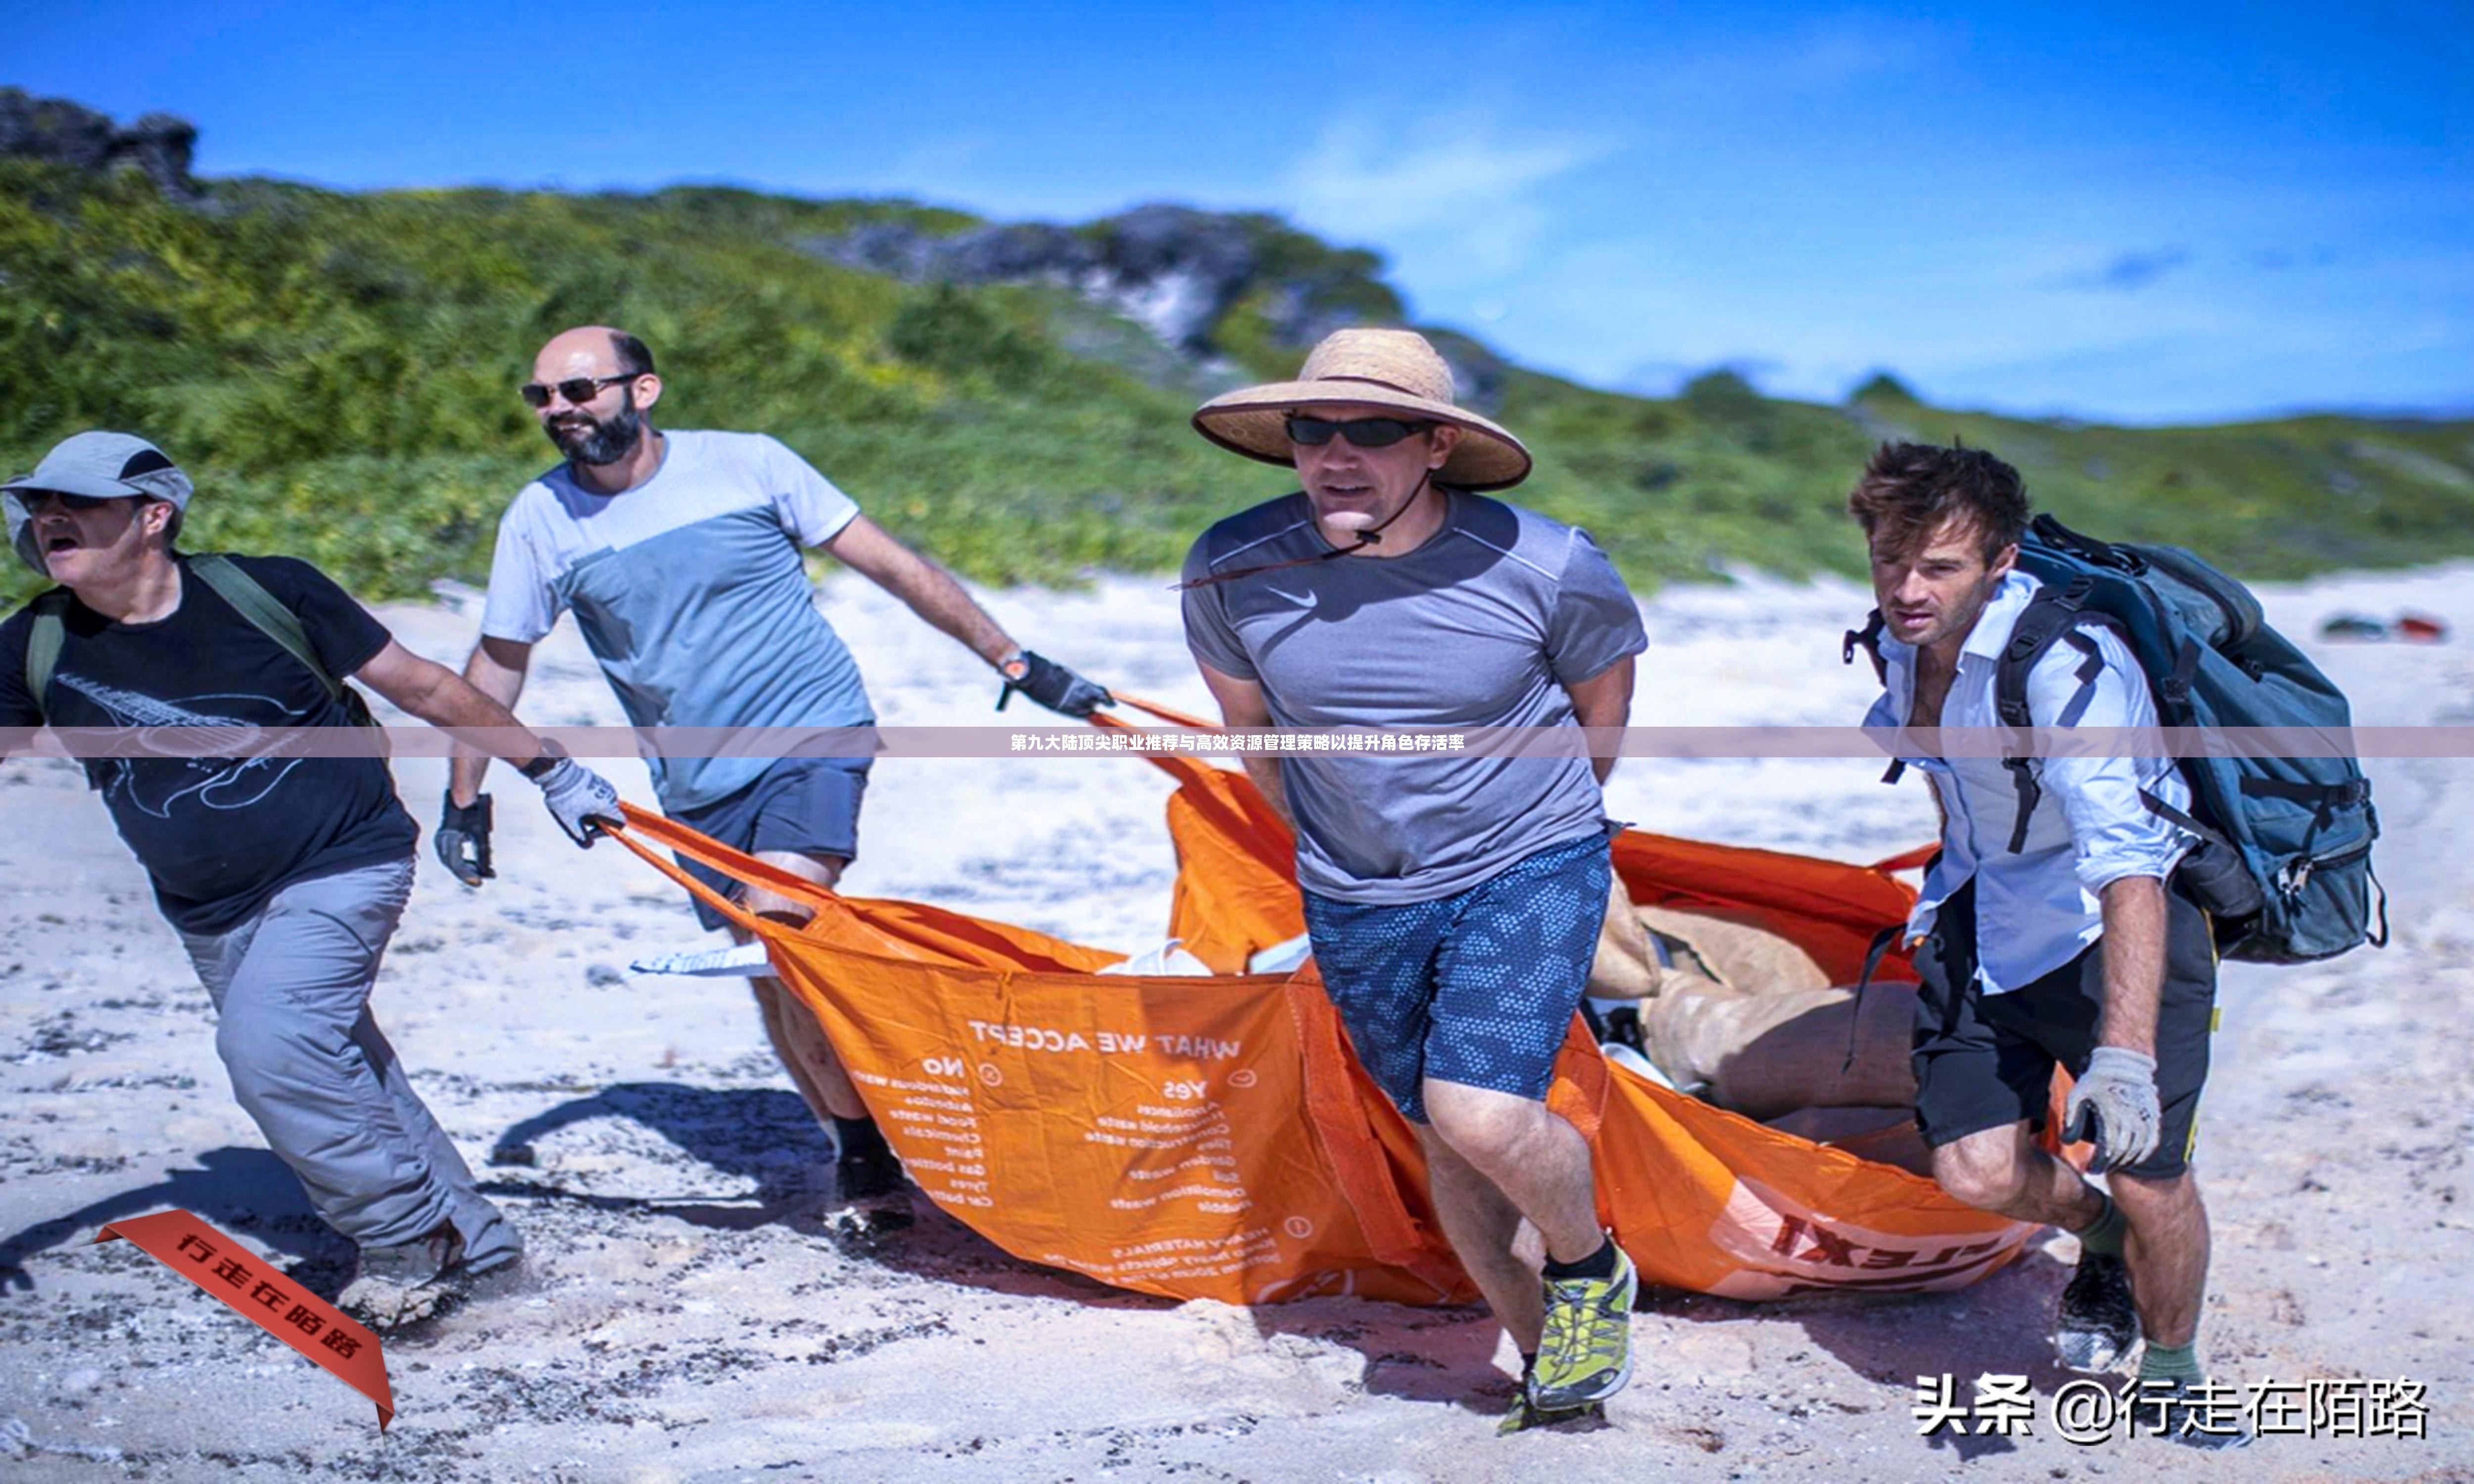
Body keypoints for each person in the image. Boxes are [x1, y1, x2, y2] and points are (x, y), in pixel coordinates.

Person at [447, 326, 1108, 1212]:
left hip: (815, 729)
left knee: (787, 924)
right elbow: (496, 663)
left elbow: (893, 564)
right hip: (692, 784)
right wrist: (464, 801)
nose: (560, 412)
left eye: (579, 392)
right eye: (544, 399)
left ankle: (874, 1156)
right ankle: (854, 1136)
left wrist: (1015, 661)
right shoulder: (540, 518)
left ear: (643, 391)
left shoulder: (749, 464)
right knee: (765, 966)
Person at [0, 431, 623, 1327]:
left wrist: (550, 770)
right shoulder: (37, 642)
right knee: (342, 1066)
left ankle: (404, 1241)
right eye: (39, 503)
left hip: (344, 858)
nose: (48, 517)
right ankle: (479, 1248)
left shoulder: (267, 592)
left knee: (271, 1045)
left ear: (153, 516)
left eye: (76, 501)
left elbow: (426, 687)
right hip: (208, 906)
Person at [1179, 328, 1647, 1430]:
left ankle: (1589, 1269)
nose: (1338, 454)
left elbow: (1603, 719)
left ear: (1436, 444)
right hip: (1355, 891)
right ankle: (1552, 1360)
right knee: (1444, 1136)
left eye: (1373, 429)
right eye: (1313, 428)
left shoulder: (1548, 563)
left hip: (1526, 864)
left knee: (1479, 1112)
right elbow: (1252, 735)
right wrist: (1342, 843)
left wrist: (1518, 827)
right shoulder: (1228, 566)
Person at [1848, 441, 2245, 1448]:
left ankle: (2171, 1367)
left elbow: (2128, 866)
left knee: (2151, 1175)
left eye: (1937, 567)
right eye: (1890, 558)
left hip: (2107, 928)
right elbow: (1947, 778)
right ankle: (2095, 1235)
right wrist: (1946, 897)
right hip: (1979, 918)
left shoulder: (2069, 668)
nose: (1905, 587)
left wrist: (2122, 1055)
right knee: (1976, 1173)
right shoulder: (1896, 638)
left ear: (2000, 561)